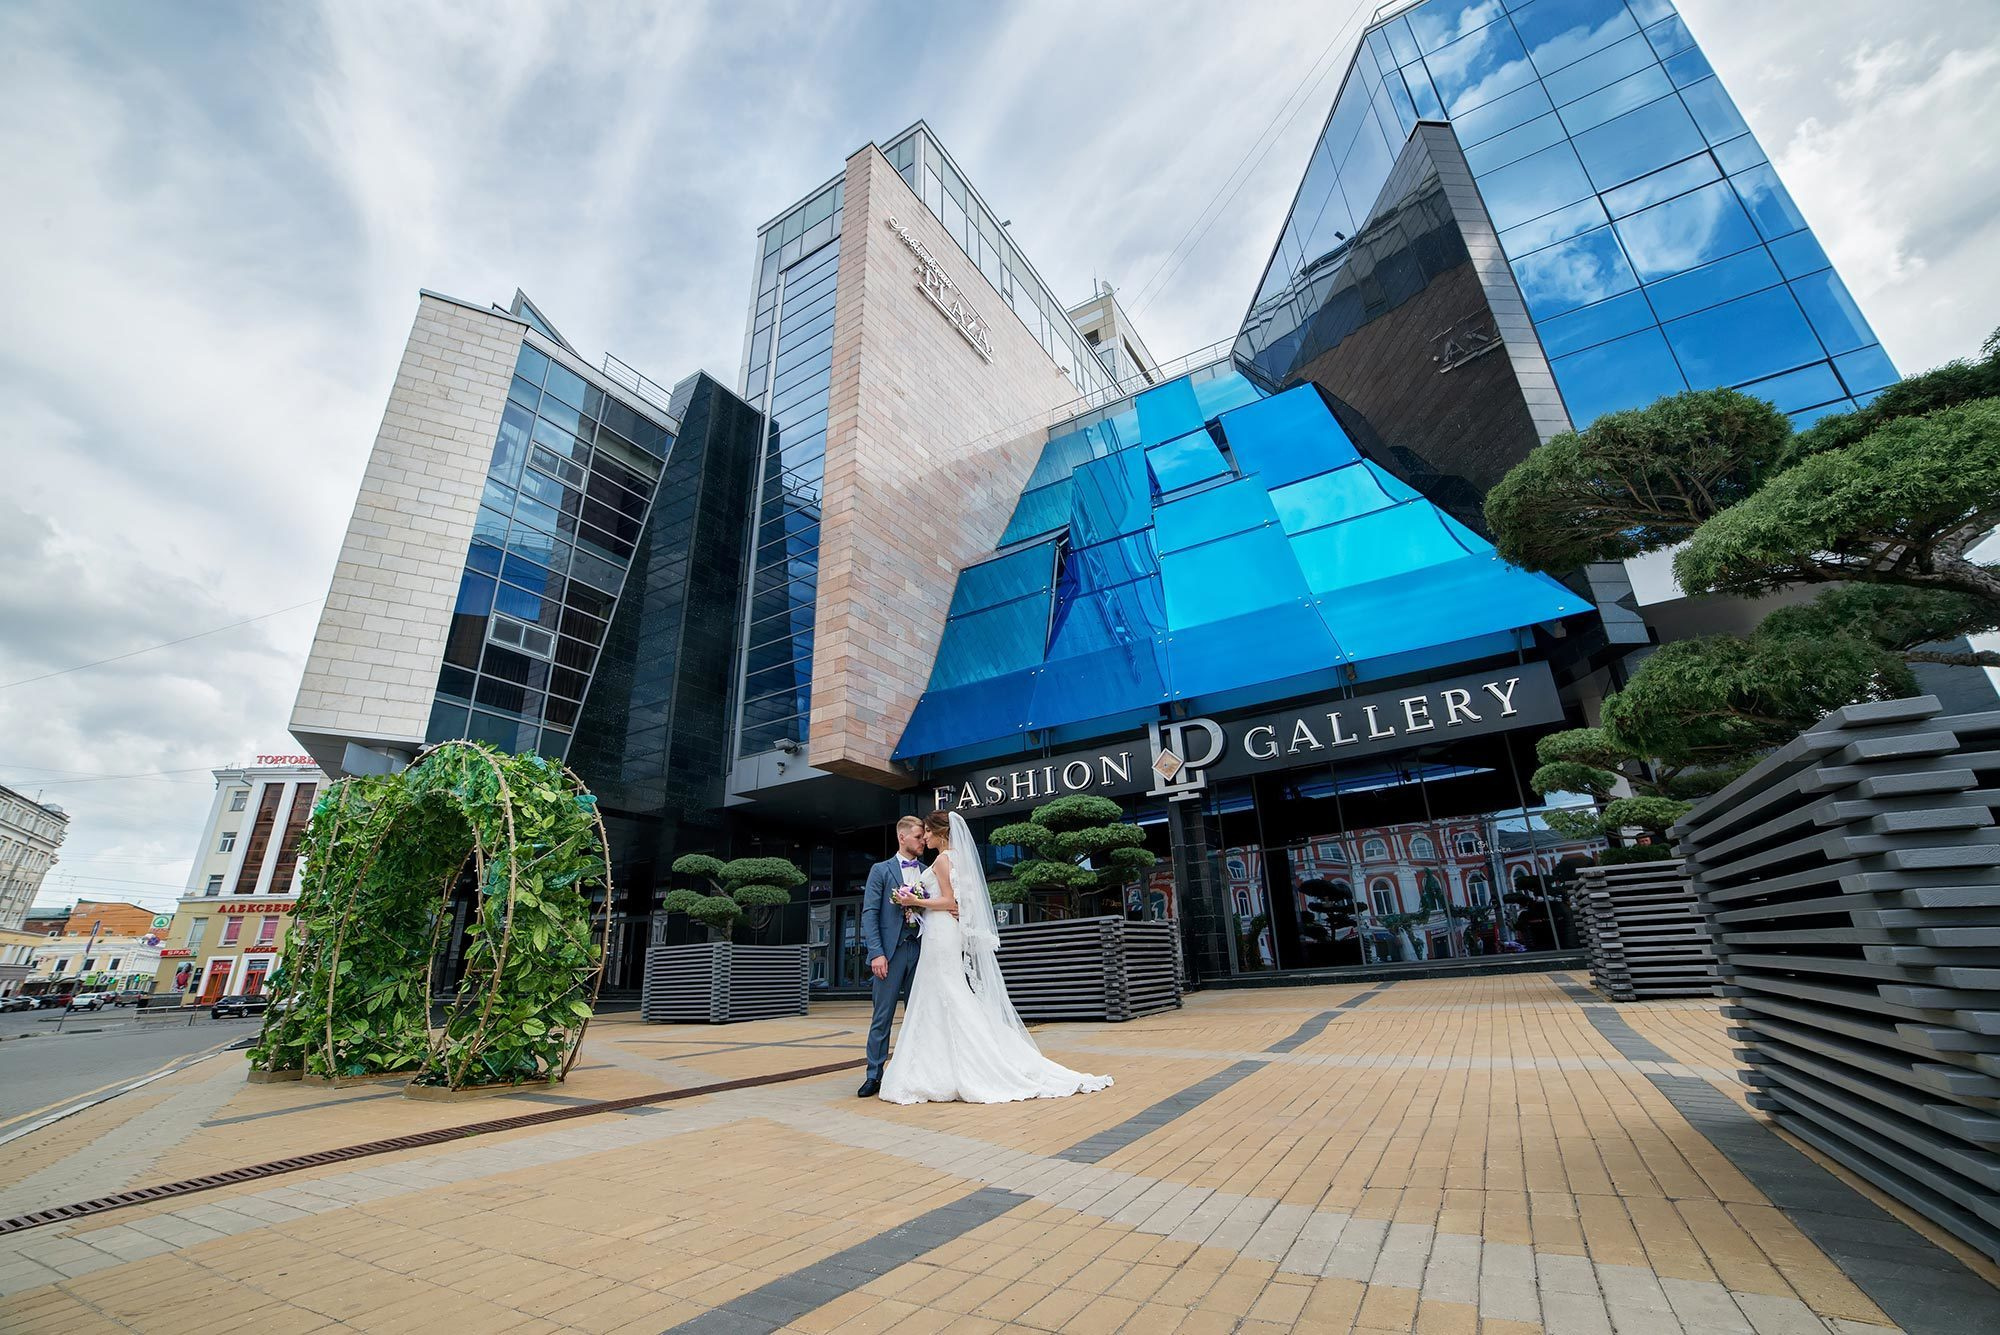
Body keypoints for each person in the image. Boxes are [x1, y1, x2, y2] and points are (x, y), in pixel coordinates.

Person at [878, 811, 1113, 1105]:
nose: (925, 837)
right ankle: (947, 1060)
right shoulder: (957, 859)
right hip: (943, 930)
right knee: (943, 991)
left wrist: (914, 901)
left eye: (927, 831)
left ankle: (961, 1061)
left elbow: (948, 900)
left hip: (941, 934)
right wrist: (935, 907)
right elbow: (961, 900)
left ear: (940, 832)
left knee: (946, 991)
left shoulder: (942, 860)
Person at [857, 816, 929, 1098]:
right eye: (918, 837)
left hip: (920, 950)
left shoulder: (927, 871)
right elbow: (870, 913)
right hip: (890, 953)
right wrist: (876, 953)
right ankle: (873, 1075)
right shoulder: (881, 870)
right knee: (883, 1016)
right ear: (902, 837)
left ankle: (916, 1073)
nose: (923, 842)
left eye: (923, 837)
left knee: (918, 1016)